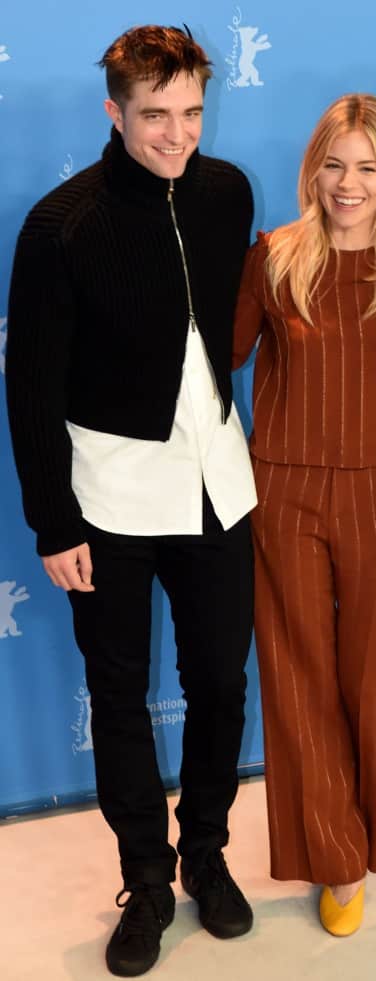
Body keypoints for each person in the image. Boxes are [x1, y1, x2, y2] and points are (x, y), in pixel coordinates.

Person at [5, 26, 257, 977]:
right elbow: (30, 383)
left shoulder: (229, 192)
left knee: (222, 686)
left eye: (191, 112)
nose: (177, 134)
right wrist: (52, 520)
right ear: (114, 112)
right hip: (106, 498)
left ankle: (207, 856)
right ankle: (146, 882)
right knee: (118, 692)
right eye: (156, 115)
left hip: (219, 485)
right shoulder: (60, 224)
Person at [233, 93, 376, 937]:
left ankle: (356, 838)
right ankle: (335, 858)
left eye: (367, 166)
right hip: (282, 489)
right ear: (313, 169)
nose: (349, 183)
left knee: (368, 679)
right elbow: (217, 358)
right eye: (335, 163)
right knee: (297, 680)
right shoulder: (273, 257)